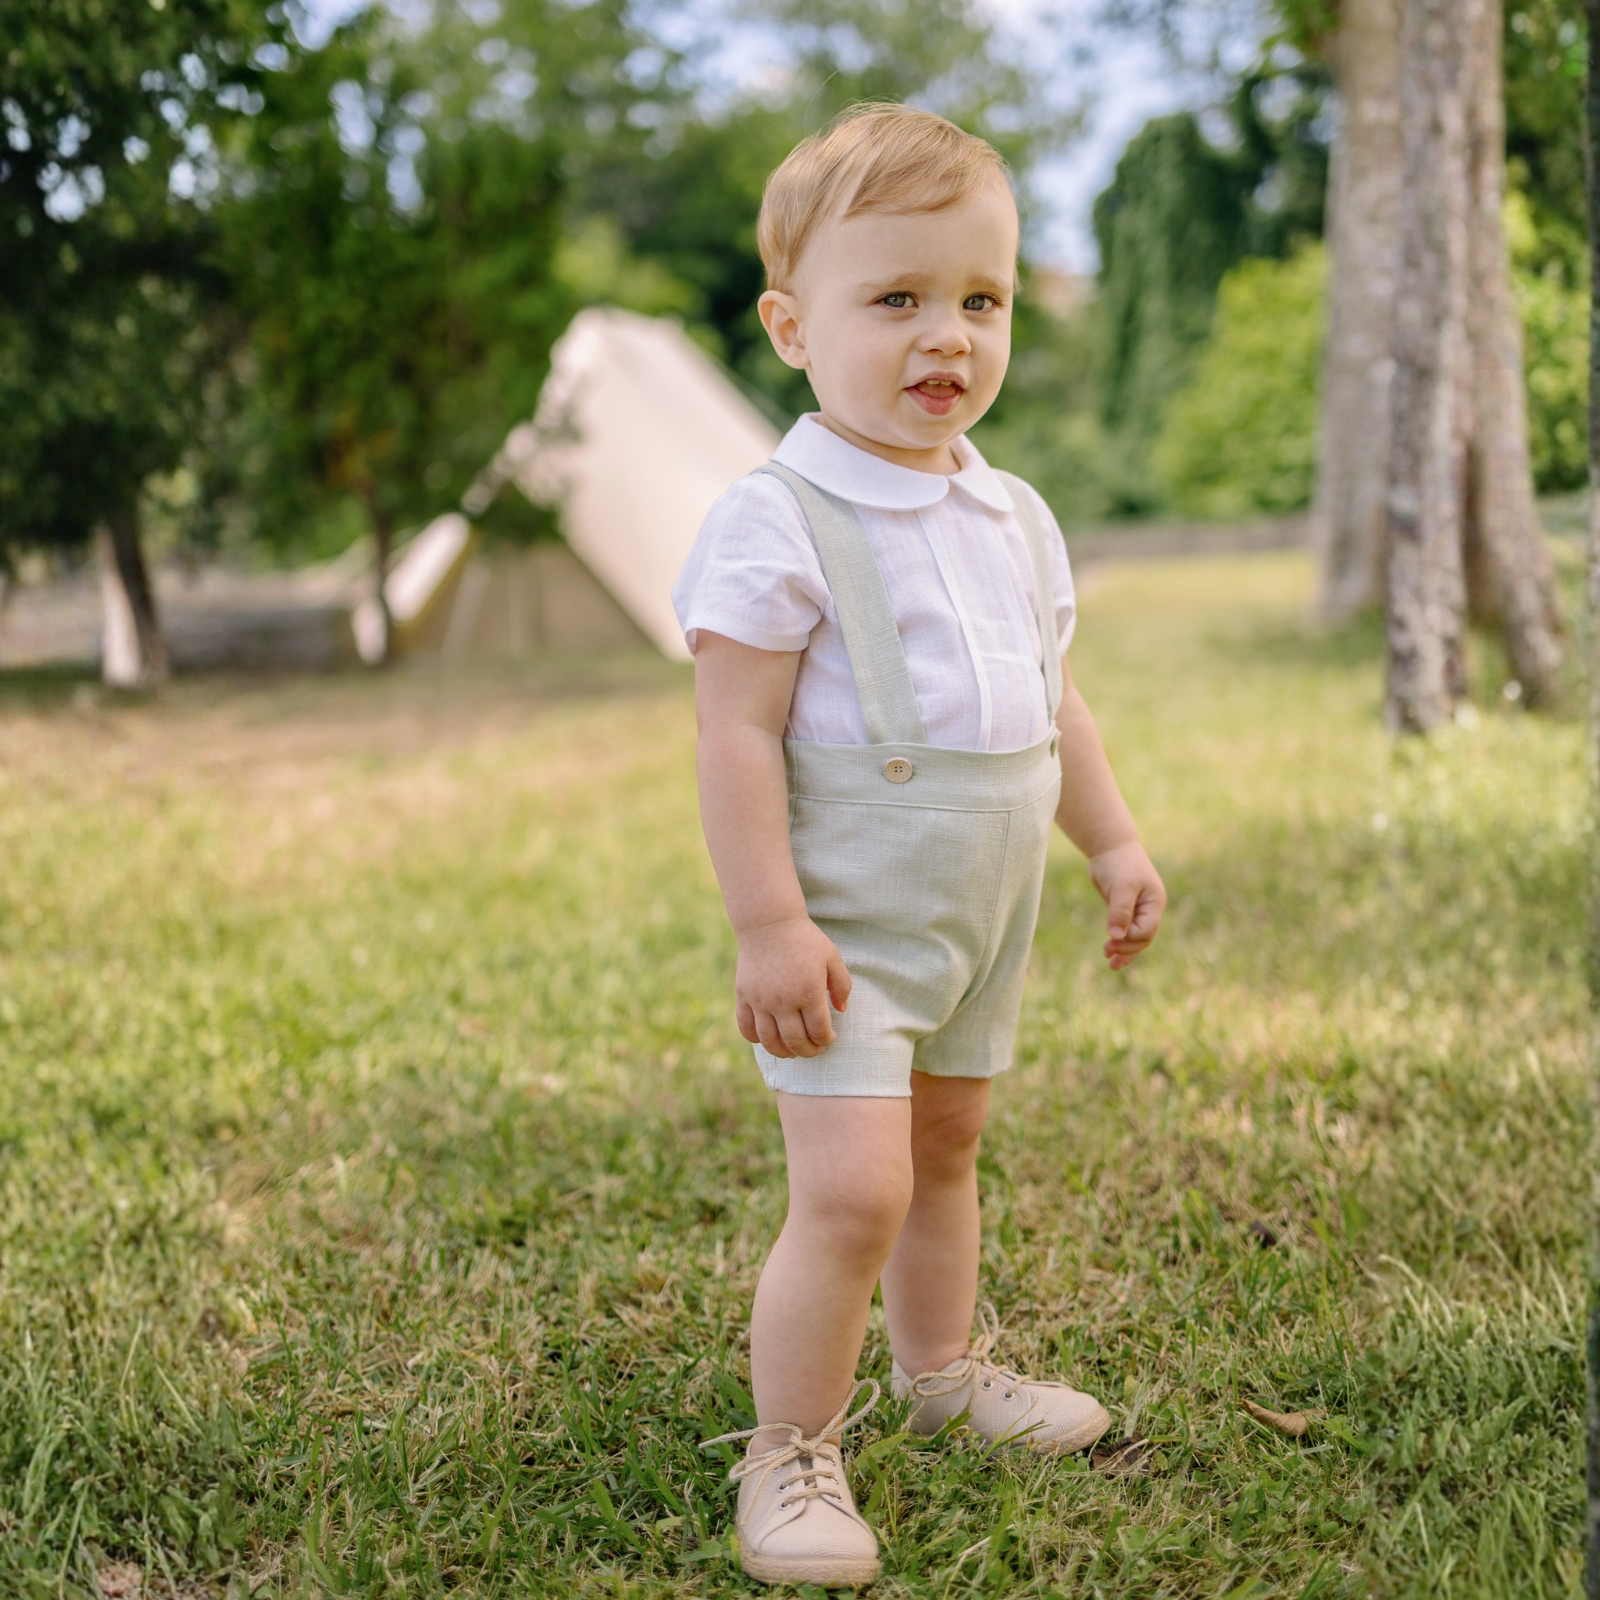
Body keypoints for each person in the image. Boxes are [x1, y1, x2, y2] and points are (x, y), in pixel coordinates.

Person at [672, 102, 1167, 1590]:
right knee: (854, 1191)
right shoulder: (778, 521)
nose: (946, 334)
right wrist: (770, 924)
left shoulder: (1014, 514)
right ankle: (792, 1449)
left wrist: (1114, 839)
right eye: (895, 299)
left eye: (981, 297)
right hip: (848, 925)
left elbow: (1049, 701)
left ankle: (942, 1372)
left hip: (985, 909)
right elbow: (735, 736)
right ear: (793, 326)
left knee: (947, 1151)